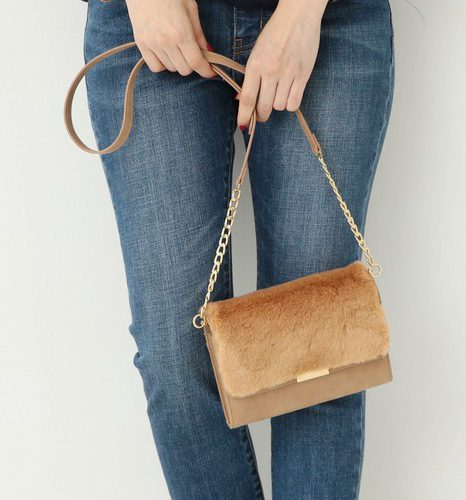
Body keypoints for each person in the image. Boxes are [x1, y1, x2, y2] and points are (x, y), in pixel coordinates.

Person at [81, 0, 394, 498]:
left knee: (321, 349)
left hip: (324, 19)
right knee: (175, 355)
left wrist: (302, 13)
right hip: (150, 25)